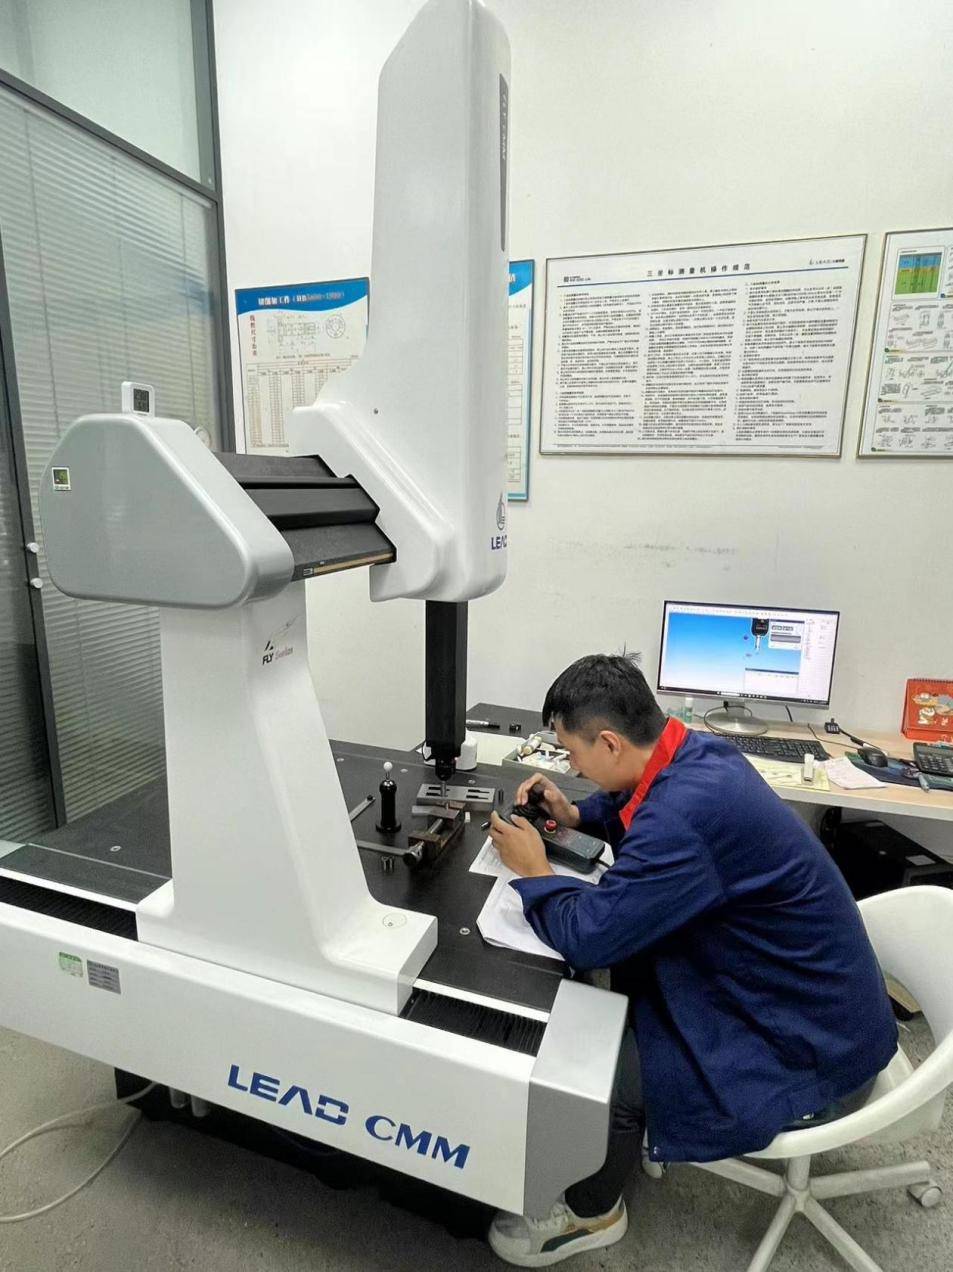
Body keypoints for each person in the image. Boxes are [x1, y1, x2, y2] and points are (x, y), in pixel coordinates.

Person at [485, 654, 898, 1268]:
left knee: (606, 1067)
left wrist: (536, 872)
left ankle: (593, 1213)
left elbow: (591, 937)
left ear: (610, 741)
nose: (571, 768)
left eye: (572, 754)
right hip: (818, 998)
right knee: (626, 986)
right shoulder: (698, 753)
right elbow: (642, 806)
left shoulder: (684, 817)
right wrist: (576, 815)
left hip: (812, 1048)